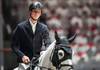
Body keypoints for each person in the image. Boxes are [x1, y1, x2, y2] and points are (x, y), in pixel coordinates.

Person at [11, 1, 51, 69]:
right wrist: (22, 56)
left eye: (38, 12)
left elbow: (47, 42)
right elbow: (14, 45)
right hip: (24, 62)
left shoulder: (44, 28)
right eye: (34, 11)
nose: (36, 13)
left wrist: (45, 51)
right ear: (30, 12)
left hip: (38, 62)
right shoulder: (20, 27)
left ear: (40, 13)